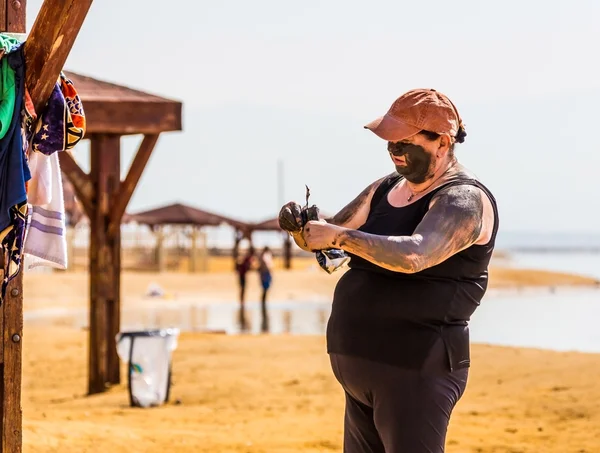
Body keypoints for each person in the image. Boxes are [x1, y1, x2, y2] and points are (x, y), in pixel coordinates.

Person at [278, 88, 499, 453]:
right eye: (390, 143)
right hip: (361, 367)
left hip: (417, 369)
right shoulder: (385, 188)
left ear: (442, 143)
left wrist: (341, 236)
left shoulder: (464, 201)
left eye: (405, 143)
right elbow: (327, 241)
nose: (395, 152)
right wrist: (301, 227)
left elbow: (415, 255)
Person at [235, 246, 255, 331]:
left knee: (242, 288)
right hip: (242, 275)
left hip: (241, 274)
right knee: (243, 288)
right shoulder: (248, 258)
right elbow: (249, 266)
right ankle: (242, 300)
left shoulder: (246, 258)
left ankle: (242, 301)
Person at [258, 246, 274, 333]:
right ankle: (263, 303)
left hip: (265, 274)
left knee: (265, 289)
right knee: (265, 289)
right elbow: (266, 266)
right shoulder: (264, 257)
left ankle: (263, 303)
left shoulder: (263, 257)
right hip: (265, 274)